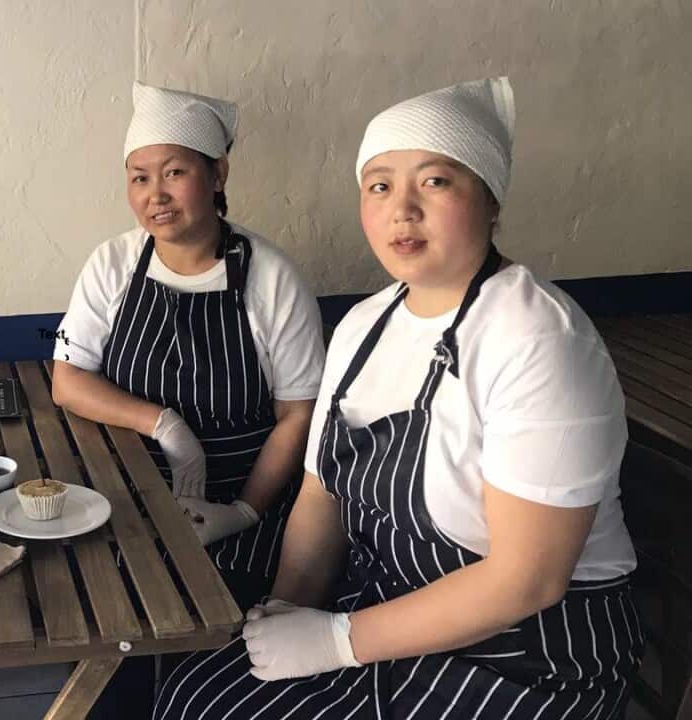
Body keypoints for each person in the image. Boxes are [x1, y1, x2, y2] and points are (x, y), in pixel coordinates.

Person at [154, 78, 644, 719]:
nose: (401, 210)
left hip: (530, 654)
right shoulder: (364, 326)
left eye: (435, 182)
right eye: (379, 185)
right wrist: (288, 614)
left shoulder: (538, 337)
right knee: (197, 694)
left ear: (491, 200)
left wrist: (335, 641)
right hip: (393, 609)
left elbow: (529, 579)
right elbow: (320, 494)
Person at [53, 82, 325, 609]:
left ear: (218, 174)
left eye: (174, 172)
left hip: (241, 503)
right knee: (104, 607)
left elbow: (298, 414)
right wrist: (163, 425)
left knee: (216, 622)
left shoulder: (271, 277)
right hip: (125, 495)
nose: (155, 194)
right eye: (139, 178)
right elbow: (68, 380)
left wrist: (244, 510)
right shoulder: (113, 264)